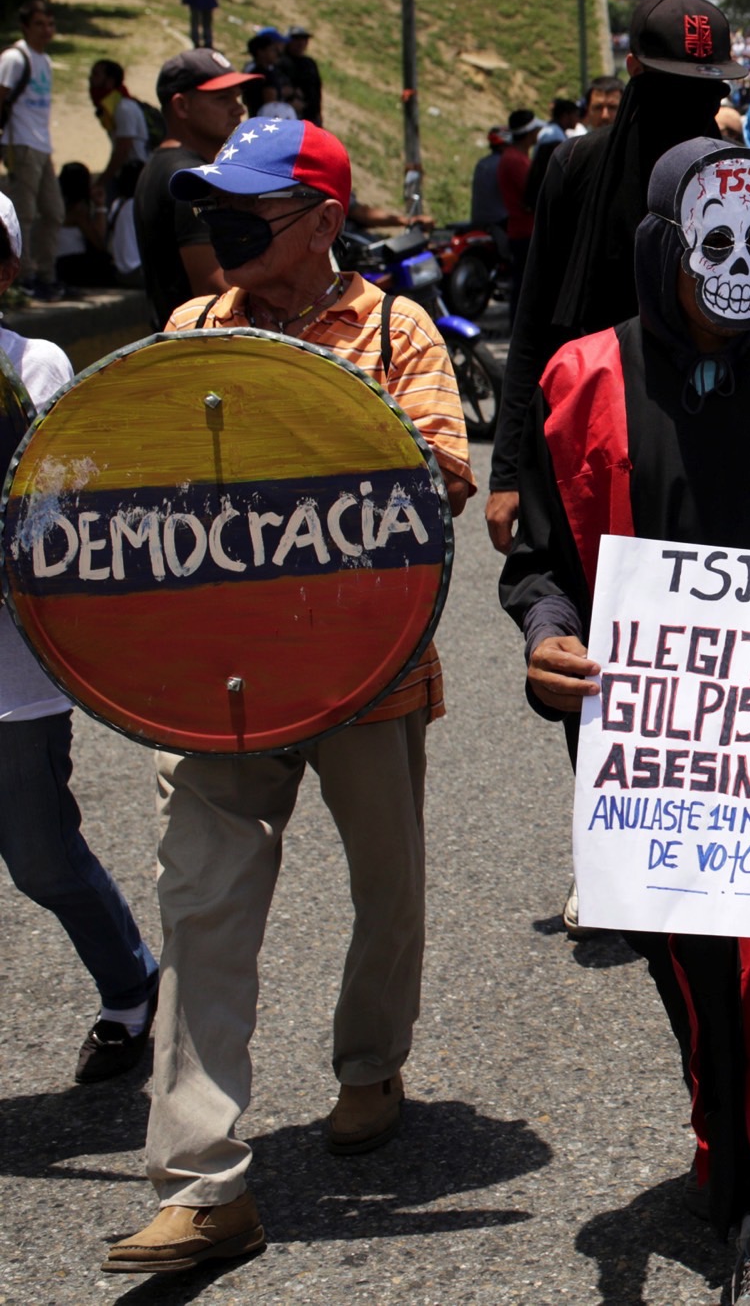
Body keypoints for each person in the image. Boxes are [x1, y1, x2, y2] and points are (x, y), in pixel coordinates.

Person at [501, 136, 750, 1306]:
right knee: (689, 974)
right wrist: (545, 639)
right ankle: (721, 1143)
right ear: (666, 248)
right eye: (714, 244)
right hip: (655, 755)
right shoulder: (581, 379)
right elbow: (540, 562)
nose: (738, 266)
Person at [105, 120, 471, 1275]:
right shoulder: (187, 332)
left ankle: (370, 1061)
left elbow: (443, 472)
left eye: (249, 207)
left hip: (368, 674)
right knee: (200, 900)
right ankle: (200, 1177)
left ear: (319, 219)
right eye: (214, 204)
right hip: (221, 680)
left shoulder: (398, 330)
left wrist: (285, 439)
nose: (220, 226)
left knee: (388, 887)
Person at [488, 0, 745, 558]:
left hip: (714, 432)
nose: (692, 104)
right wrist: (507, 471)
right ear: (634, 70)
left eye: (709, 89)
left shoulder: (735, 178)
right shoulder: (577, 167)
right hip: (594, 435)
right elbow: (533, 323)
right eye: (675, 84)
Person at [0, 189, 160, 1086]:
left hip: (14, 672)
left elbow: (58, 505)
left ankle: (133, 982)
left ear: (11, 268)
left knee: (41, 857)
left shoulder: (35, 364)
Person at [132, 51, 244, 325]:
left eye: (237, 97)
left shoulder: (163, 165)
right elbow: (214, 288)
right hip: (203, 351)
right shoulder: (190, 178)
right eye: (222, 98)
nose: (238, 108)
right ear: (181, 106)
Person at [1, 2, 68, 301]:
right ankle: (24, 276)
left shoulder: (46, 60)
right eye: (40, 24)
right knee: (24, 213)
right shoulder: (15, 58)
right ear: (26, 27)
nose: (47, 30)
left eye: (50, 24)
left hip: (41, 144)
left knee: (54, 212)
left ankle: (46, 274)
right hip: (21, 143)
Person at [89, 59, 152, 206]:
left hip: (134, 174)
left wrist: (101, 181)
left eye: (96, 75)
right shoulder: (114, 107)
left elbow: (123, 150)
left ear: (110, 81)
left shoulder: (123, 108)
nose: (90, 79)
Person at [281, 29, 323, 126]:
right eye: (297, 40)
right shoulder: (281, 63)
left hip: (311, 115)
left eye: (304, 40)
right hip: (291, 115)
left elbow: (316, 89)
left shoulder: (309, 63)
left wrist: (317, 112)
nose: (301, 43)